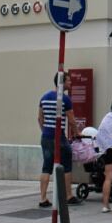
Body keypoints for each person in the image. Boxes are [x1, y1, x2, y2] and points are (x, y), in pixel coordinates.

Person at [38, 72, 81, 208]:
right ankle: (69, 195)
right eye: (68, 81)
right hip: (59, 137)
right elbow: (72, 120)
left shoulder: (44, 97)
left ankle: (43, 198)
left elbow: (40, 118)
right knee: (67, 164)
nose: (71, 83)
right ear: (62, 83)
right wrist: (77, 134)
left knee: (46, 167)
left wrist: (45, 131)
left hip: (46, 137)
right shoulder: (65, 99)